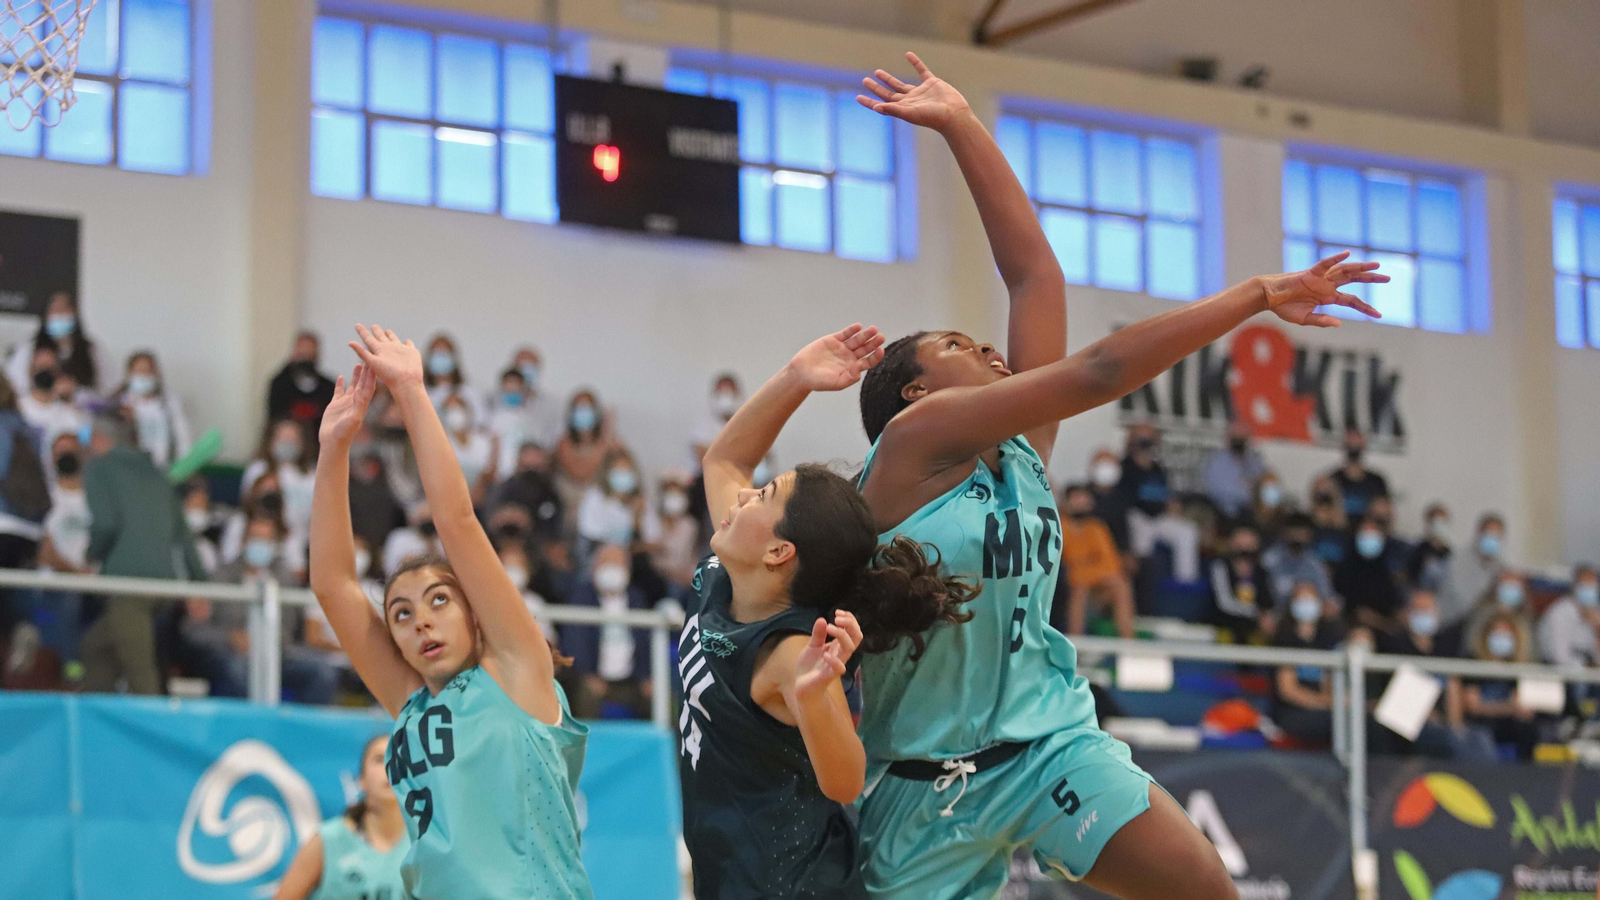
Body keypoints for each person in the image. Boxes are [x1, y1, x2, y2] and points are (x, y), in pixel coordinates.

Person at [851, 52, 1380, 900]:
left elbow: (1035, 277)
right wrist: (1253, 294)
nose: (989, 347)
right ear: (912, 391)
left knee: (1207, 889)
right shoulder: (911, 446)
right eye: (957, 346)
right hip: (922, 782)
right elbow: (1098, 370)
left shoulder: (1020, 449)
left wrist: (961, 123)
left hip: (1049, 748)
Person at [679, 323, 976, 900]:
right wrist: (797, 378)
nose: (742, 496)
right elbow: (724, 459)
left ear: (779, 552)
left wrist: (818, 696)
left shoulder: (790, 653)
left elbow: (846, 779)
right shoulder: (727, 575)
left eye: (762, 496)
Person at [313, 325, 591, 899]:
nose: (421, 622)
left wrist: (413, 392)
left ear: (475, 612)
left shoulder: (516, 670)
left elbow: (457, 522)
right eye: (402, 614)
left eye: (440, 600)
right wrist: (333, 449)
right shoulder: (412, 703)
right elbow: (334, 585)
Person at [80, 412, 208, 695]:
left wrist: (89, 556)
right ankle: (97, 719)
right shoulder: (157, 475)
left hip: (128, 582)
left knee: (142, 675)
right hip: (163, 584)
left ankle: (150, 731)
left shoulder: (99, 468)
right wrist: (201, 586)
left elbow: (105, 524)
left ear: (99, 439)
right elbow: (184, 537)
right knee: (94, 648)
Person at [274, 735, 409, 900]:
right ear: (361, 780)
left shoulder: (426, 842)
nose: (390, 767)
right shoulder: (328, 840)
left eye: (398, 758)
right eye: (379, 759)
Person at [560, 544, 654, 719]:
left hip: (631, 682)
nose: (611, 569)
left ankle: (674, 746)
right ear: (593, 568)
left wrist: (647, 677)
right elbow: (574, 642)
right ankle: (586, 746)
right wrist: (588, 674)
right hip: (593, 679)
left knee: (662, 697)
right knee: (586, 695)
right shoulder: (581, 597)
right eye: (605, 563)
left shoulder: (637, 599)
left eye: (616, 563)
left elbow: (646, 642)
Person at [1269, 581, 1344, 746]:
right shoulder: (1284, 639)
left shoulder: (1326, 639)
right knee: (1337, 721)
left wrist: (1333, 701)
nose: (1307, 604)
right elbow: (1288, 690)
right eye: (1301, 599)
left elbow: (1328, 682)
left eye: (1311, 598)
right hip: (1291, 713)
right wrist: (1324, 703)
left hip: (1323, 709)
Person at [1058, 484, 1135, 638]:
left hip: (1097, 585)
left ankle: (1128, 642)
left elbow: (1109, 564)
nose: (1080, 503)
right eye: (1076, 498)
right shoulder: (1059, 525)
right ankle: (1076, 644)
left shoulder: (1096, 527)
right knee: (1079, 589)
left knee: (1121, 586)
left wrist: (1084, 572)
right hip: (1069, 584)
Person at [1462, 611, 1542, 760]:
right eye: (1497, 634)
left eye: (1506, 635)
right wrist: (1508, 708)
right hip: (1480, 725)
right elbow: (1473, 706)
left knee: (1531, 730)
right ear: (1486, 636)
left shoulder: (1516, 669)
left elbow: (1520, 700)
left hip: (1508, 725)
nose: (1502, 640)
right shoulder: (1473, 664)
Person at [241, 418, 318, 563]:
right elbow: (248, 505)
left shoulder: (311, 477)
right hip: (263, 535)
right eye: (282, 438)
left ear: (302, 443)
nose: (287, 443)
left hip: (300, 538)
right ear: (271, 440)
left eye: (292, 439)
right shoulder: (257, 470)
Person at [109, 350, 193, 469]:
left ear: (156, 374)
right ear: (129, 374)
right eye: (139, 371)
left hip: (163, 470)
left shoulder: (169, 403)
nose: (143, 376)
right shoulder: (117, 404)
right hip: (129, 470)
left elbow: (183, 439)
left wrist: (184, 466)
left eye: (147, 371)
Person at [6, 291, 102, 394]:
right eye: (54, 310)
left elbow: (104, 390)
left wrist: (76, 390)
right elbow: (13, 385)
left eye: (64, 309)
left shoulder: (90, 349)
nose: (59, 314)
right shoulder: (28, 350)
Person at [553, 389, 616, 537]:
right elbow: (580, 473)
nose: (584, 414)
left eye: (588, 409)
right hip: (570, 510)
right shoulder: (563, 443)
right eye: (580, 409)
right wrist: (604, 442)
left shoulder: (610, 444)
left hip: (601, 512)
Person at [1205, 524, 1277, 642]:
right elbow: (1224, 603)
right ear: (1232, 545)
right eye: (1240, 547)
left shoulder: (1262, 571)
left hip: (1253, 629)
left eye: (1249, 548)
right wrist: (1257, 613)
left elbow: (1269, 602)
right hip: (1224, 625)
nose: (1244, 553)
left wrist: (1266, 616)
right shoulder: (1220, 566)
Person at [1333, 514, 1406, 632]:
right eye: (1365, 533)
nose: (1369, 537)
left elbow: (1397, 606)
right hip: (1351, 628)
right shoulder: (1345, 568)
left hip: (1385, 629)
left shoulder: (1389, 568)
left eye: (1373, 533)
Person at [487, 442, 565, 547]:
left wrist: (529, 522)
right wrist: (506, 518)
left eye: (537, 467)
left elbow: (555, 531)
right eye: (526, 467)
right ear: (518, 465)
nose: (531, 473)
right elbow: (488, 520)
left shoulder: (551, 493)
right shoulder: (503, 489)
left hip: (539, 550)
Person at [266, 331, 337, 443]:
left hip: (320, 444)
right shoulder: (280, 384)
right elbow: (274, 419)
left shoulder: (329, 387)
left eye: (310, 354)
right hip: (288, 442)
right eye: (302, 354)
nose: (306, 359)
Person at [575, 448, 649, 556]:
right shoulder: (595, 497)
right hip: (596, 558)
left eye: (627, 471)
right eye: (618, 471)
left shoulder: (639, 500)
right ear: (607, 474)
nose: (623, 475)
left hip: (630, 561)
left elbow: (644, 545)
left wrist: (637, 520)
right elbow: (590, 541)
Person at [481, 366, 553, 475]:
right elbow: (492, 449)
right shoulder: (494, 418)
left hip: (526, 475)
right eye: (508, 390)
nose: (512, 393)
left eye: (515, 389)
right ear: (501, 390)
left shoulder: (530, 418)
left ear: (523, 390)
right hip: (502, 475)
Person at [19, 345, 90, 454]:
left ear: (59, 373)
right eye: (40, 367)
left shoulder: (72, 414)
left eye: (50, 369)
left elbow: (87, 442)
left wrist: (71, 400)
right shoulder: (15, 407)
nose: (45, 373)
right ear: (30, 371)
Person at [1261, 512, 1335, 614]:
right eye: (1294, 529)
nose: (1298, 535)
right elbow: (1266, 594)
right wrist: (1294, 592)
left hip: (1311, 614)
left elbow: (1327, 595)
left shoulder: (1315, 563)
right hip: (1279, 614)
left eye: (1302, 531)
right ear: (1285, 532)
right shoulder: (1270, 559)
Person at [1440, 513, 1505, 628]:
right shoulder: (1458, 559)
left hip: (1478, 625)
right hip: (1451, 621)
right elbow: (1459, 596)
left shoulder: (1499, 566)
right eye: (1489, 535)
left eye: (1497, 536)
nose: (1492, 540)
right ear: (1479, 534)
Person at [1202, 419, 1267, 525]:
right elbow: (1219, 492)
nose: (1239, 441)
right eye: (1236, 437)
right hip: (1228, 514)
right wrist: (1251, 494)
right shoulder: (1217, 461)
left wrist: (1272, 502)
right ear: (1229, 437)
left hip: (1255, 513)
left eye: (1243, 437)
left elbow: (1267, 481)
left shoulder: (1254, 461)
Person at [439, 393, 497, 507]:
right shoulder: (440, 443)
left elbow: (490, 474)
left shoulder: (483, 440)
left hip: (482, 497)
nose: (455, 413)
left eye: (458, 408)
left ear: (467, 411)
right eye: (450, 410)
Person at [648, 473, 700, 598]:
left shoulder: (690, 525)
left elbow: (689, 556)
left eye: (678, 494)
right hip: (659, 575)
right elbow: (652, 553)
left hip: (684, 575)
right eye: (670, 494)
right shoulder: (653, 520)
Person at [1540, 565, 1600, 668]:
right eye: (1585, 585)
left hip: (1590, 674)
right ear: (1575, 587)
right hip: (1560, 673)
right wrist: (1587, 667)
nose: (1589, 590)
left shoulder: (1596, 613)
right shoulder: (1560, 612)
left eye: (1592, 586)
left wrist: (1598, 630)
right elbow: (1559, 656)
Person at [1326, 428, 1388, 521]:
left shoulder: (1377, 481)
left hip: (1368, 530)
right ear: (1344, 446)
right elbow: (1324, 512)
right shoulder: (1332, 479)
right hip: (1338, 530)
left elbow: (1384, 512)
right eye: (1350, 443)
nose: (1353, 446)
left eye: (1357, 443)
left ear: (1364, 446)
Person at [690, 372, 742, 465]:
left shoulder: (746, 421)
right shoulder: (704, 423)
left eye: (729, 393)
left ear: (737, 394)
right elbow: (702, 455)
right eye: (722, 393)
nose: (726, 398)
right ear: (715, 394)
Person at [1408, 503, 1453, 594]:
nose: (1439, 526)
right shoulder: (1416, 550)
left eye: (1442, 522)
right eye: (1436, 522)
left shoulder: (1450, 554)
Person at [421, 333, 465, 407]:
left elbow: (481, 416)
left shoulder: (466, 392)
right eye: (437, 353)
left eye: (444, 353)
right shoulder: (422, 393)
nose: (440, 357)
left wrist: (463, 406)